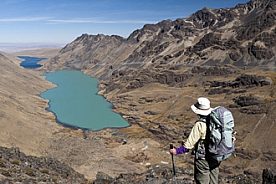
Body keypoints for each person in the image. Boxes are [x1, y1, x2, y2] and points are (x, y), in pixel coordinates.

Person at [170, 97, 220, 184]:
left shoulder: (200, 125)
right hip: (216, 157)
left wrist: (176, 151)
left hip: (203, 159)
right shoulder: (217, 121)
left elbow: (188, 146)